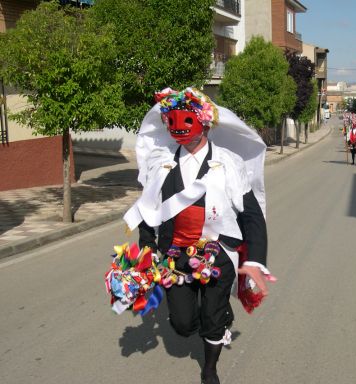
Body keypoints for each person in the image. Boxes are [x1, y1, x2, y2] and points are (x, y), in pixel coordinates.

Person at [124, 87, 273, 384]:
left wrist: (254, 260)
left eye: (187, 120)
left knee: (212, 317)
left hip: (220, 251)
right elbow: (147, 209)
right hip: (176, 254)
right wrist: (148, 246)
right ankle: (208, 319)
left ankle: (209, 368)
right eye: (173, 121)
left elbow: (251, 215)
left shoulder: (229, 162)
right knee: (182, 323)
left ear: (204, 123)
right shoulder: (162, 163)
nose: (180, 127)